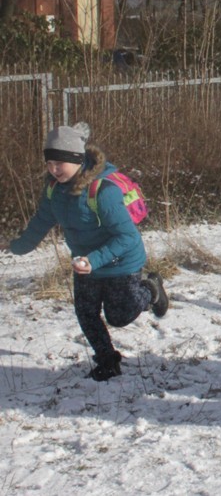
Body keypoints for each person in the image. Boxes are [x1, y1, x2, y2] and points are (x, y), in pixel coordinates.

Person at [1, 122, 168, 381]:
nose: (54, 169)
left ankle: (152, 290)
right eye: (49, 163)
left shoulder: (102, 192)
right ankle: (107, 359)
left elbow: (128, 236)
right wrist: (16, 246)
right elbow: (41, 221)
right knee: (86, 312)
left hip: (120, 261)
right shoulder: (53, 190)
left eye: (60, 163)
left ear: (77, 159)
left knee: (119, 316)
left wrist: (95, 259)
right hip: (84, 263)